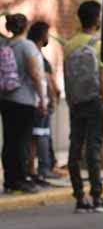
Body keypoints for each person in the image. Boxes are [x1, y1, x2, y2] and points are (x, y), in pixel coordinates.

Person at [63, 1, 103, 213]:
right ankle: (97, 197)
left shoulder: (69, 45)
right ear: (98, 19)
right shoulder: (99, 45)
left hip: (76, 103)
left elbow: (66, 78)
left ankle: (80, 197)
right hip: (95, 103)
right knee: (94, 150)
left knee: (75, 150)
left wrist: (71, 101)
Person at [1, 13, 49, 194]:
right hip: (24, 100)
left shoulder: (6, 44)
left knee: (9, 141)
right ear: (26, 27)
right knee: (22, 141)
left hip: (6, 98)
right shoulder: (27, 46)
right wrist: (42, 99)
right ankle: (21, 180)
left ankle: (9, 180)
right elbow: (35, 74)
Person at [27, 21, 61, 185]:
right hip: (40, 101)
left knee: (38, 136)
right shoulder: (35, 53)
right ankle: (40, 170)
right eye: (47, 34)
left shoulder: (35, 52)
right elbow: (44, 78)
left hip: (38, 101)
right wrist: (51, 97)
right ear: (41, 36)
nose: (48, 37)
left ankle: (35, 170)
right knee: (39, 136)